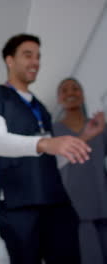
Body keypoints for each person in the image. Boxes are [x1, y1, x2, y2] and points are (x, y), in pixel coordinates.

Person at [0, 33, 92, 264]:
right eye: (28, 55)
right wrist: (45, 143)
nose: (35, 62)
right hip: (19, 206)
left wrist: (84, 138)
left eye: (38, 57)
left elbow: (53, 156)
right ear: (10, 60)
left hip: (56, 202)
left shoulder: (41, 107)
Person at [53, 78, 107, 264]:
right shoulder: (53, 132)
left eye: (75, 89)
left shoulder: (101, 128)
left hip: (102, 201)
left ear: (82, 95)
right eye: (65, 90)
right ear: (59, 99)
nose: (71, 93)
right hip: (73, 206)